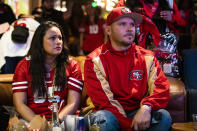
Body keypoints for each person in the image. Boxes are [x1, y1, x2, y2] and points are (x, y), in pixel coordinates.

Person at [84, 7, 172, 131]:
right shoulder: (94, 60)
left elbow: (162, 88)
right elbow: (105, 102)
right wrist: (130, 125)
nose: (130, 28)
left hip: (139, 113)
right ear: (108, 30)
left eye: (132, 24)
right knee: (102, 118)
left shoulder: (148, 57)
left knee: (164, 116)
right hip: (110, 114)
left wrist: (146, 108)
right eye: (122, 24)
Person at [12, 21, 83, 122]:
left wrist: (55, 123)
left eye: (60, 38)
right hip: (32, 120)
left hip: (62, 120)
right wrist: (40, 124)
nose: (58, 42)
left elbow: (73, 103)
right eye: (53, 38)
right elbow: (19, 104)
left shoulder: (72, 65)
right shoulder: (24, 66)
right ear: (40, 42)